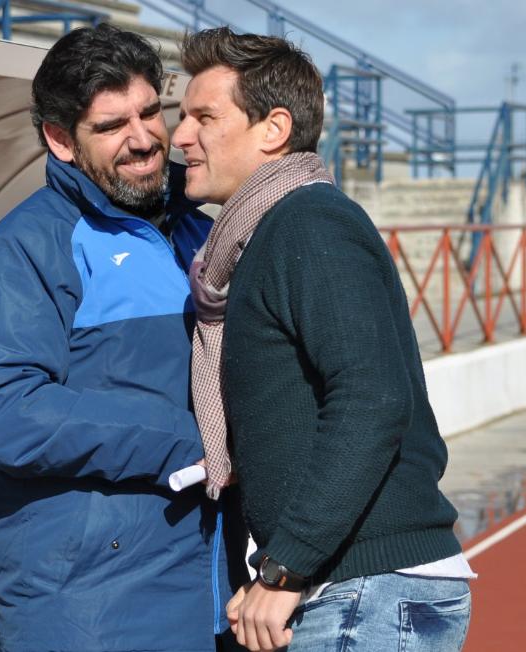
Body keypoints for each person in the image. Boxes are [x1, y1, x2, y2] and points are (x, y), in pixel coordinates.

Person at [173, 28, 473, 652]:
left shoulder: (309, 222)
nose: (180, 137)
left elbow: (372, 398)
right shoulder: (259, 239)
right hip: (349, 585)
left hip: (364, 585)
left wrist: (286, 566)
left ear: (273, 128)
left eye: (204, 116)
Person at [0, 23, 247, 652]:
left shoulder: (206, 227)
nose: (142, 140)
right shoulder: (23, 251)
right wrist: (190, 441)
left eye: (149, 113)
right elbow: (2, 410)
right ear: (60, 140)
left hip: (216, 587)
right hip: (90, 611)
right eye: (111, 126)